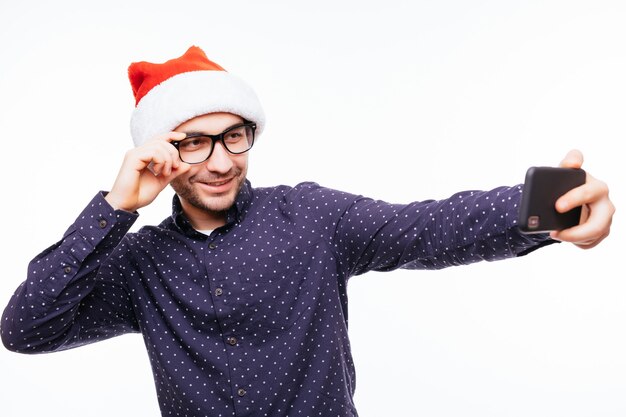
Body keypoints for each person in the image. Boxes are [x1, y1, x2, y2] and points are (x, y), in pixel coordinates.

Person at [0, 46, 615, 417]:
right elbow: (25, 330)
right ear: (161, 153)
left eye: (232, 136)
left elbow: (427, 226)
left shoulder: (312, 218)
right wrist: (114, 208)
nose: (220, 161)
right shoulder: (140, 264)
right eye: (194, 142)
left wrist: (552, 208)